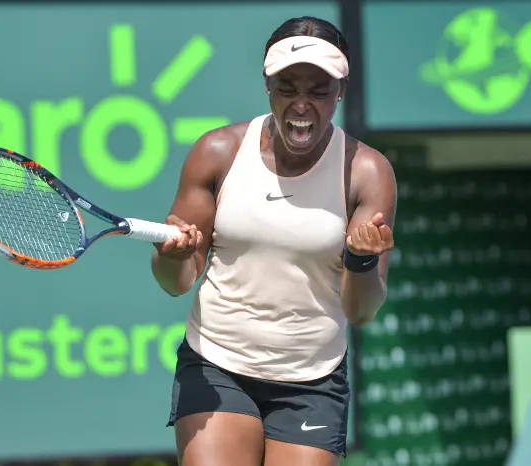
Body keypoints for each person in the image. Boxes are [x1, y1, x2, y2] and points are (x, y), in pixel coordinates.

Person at [150, 15, 397, 466]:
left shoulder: (367, 171)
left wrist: (360, 261)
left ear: (340, 91)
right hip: (216, 362)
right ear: (267, 85)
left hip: (313, 379)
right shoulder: (217, 152)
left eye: (318, 90)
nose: (302, 104)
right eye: (288, 87)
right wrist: (172, 257)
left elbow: (362, 311)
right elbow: (175, 281)